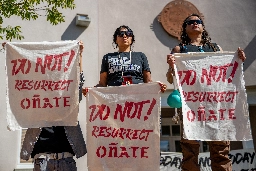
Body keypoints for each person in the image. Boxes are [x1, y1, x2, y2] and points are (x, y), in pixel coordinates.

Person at [166, 14, 246, 171]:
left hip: (215, 105)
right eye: (190, 22)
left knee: (221, 150)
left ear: (202, 27)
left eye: (198, 22)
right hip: (191, 106)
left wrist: (238, 61)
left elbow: (227, 74)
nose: (195, 24)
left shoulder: (216, 49)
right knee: (189, 151)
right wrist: (171, 66)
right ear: (185, 28)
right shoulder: (179, 49)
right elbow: (170, 79)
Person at [20, 41, 87, 171]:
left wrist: (80, 55)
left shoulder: (67, 100)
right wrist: (11, 50)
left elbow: (78, 82)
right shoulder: (36, 99)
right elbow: (21, 85)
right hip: (42, 160)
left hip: (65, 160)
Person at [92, 25, 166, 92]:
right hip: (115, 97)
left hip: (138, 98)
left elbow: (148, 81)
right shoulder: (108, 57)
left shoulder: (141, 56)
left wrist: (157, 86)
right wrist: (91, 91)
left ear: (132, 39)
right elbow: (102, 84)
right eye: (121, 34)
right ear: (116, 40)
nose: (124, 36)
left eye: (128, 33)